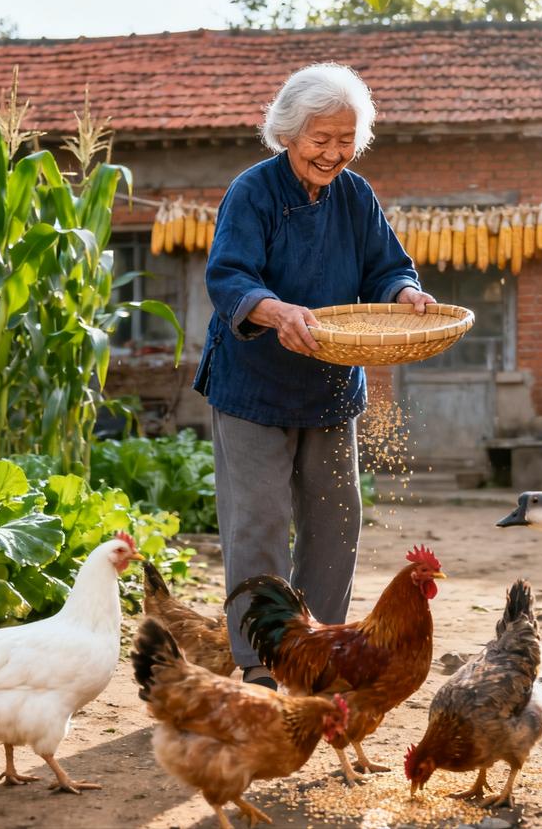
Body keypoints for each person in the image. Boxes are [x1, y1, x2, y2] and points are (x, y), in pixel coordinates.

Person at [193, 63, 434, 690]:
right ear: (288, 134)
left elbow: (387, 266)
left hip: (329, 386)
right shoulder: (253, 192)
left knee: (336, 518)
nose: (332, 153)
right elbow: (230, 276)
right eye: (319, 139)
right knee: (260, 522)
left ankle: (320, 648)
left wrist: (405, 292)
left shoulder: (355, 194)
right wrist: (274, 310)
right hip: (253, 386)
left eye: (344, 139)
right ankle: (260, 663)